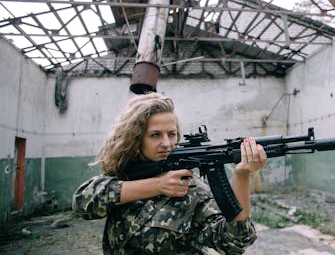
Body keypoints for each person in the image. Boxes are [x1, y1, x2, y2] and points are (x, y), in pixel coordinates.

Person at [72, 93, 267, 255]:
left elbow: (235, 243)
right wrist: (157, 185)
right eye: (155, 135)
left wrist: (242, 175)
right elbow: (83, 203)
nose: (166, 143)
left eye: (171, 134)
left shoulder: (190, 188)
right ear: (135, 139)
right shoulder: (124, 177)